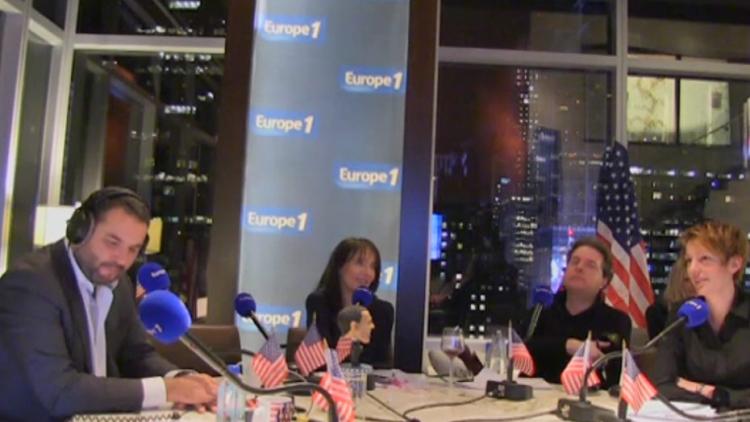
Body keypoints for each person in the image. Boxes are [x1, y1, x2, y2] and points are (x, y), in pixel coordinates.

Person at [0, 187, 218, 421]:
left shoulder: (119, 282)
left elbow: (137, 355)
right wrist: (167, 389)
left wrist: (180, 379)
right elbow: (60, 391)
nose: (122, 259)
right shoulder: (31, 284)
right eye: (112, 242)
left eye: (133, 249)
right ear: (80, 230)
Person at [653, 220, 750, 409]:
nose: (693, 270)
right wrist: (718, 397)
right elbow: (663, 385)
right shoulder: (681, 314)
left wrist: (710, 392)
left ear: (734, 264)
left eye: (704, 259)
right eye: (689, 261)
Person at [524, 237, 632, 388]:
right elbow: (520, 354)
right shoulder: (539, 313)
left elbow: (614, 375)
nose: (579, 268)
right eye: (574, 262)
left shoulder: (617, 321)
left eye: (590, 265)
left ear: (604, 281)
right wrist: (568, 346)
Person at [305, 238, 394, 368]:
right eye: (359, 263)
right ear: (340, 267)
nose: (367, 273)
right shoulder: (319, 303)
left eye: (372, 266)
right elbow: (320, 357)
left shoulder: (383, 310)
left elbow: (383, 364)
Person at [645, 256, 695, 339]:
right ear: (676, 282)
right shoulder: (657, 313)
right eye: (687, 280)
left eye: (695, 280)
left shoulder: (708, 311)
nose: (693, 285)